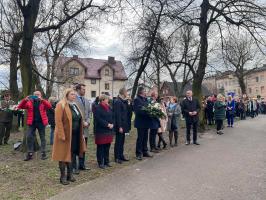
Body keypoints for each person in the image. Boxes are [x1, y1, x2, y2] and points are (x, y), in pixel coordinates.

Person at [52, 88, 86, 185]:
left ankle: (70, 174)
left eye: (74, 94)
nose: (74, 96)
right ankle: (62, 177)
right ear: (66, 95)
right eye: (72, 94)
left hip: (74, 135)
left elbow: (78, 118)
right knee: (62, 155)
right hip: (64, 136)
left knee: (71, 154)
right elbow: (58, 121)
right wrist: (62, 135)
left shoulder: (75, 105)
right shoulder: (61, 105)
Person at [18, 91, 51, 161]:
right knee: (29, 136)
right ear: (33, 95)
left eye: (38, 95)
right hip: (32, 123)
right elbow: (20, 106)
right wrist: (24, 100)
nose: (36, 96)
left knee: (42, 137)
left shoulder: (43, 102)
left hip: (41, 122)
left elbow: (49, 106)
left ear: (40, 95)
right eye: (35, 95)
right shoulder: (29, 102)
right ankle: (30, 153)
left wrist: (42, 100)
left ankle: (43, 153)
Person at [94, 94, 114, 169]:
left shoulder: (109, 107)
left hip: (108, 130)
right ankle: (100, 162)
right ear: (103, 100)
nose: (108, 100)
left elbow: (112, 116)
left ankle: (106, 161)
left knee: (107, 146)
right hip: (101, 130)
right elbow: (98, 119)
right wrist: (107, 124)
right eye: (107, 99)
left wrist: (112, 124)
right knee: (101, 147)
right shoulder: (98, 108)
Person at [75, 84, 92, 171]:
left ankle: (82, 165)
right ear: (78, 90)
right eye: (83, 89)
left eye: (85, 89)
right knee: (76, 147)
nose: (84, 91)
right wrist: (82, 122)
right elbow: (74, 114)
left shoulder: (87, 100)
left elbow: (89, 112)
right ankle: (75, 166)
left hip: (85, 128)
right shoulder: (74, 100)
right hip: (77, 128)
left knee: (84, 146)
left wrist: (88, 121)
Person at [133, 87, 152, 160]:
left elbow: (148, 107)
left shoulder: (146, 99)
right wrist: (147, 112)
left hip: (146, 122)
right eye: (144, 90)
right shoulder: (137, 100)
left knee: (145, 138)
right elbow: (137, 111)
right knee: (140, 138)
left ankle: (145, 151)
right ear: (141, 92)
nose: (146, 92)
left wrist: (151, 112)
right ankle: (139, 153)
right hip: (140, 122)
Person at [113, 88, 131, 164]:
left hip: (124, 125)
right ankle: (117, 157)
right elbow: (118, 115)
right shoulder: (117, 101)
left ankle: (121, 155)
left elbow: (128, 112)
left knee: (122, 141)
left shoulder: (123, 101)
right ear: (123, 93)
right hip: (119, 125)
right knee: (118, 141)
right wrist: (119, 126)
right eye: (126, 92)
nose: (127, 93)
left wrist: (129, 102)